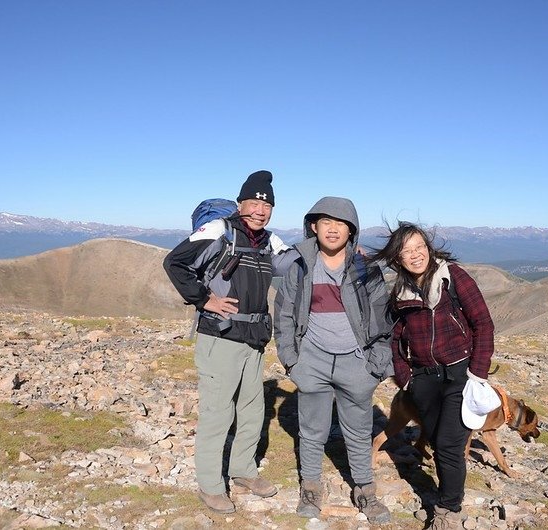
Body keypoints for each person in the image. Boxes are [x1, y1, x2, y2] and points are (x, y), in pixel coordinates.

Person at [163, 170, 294, 514]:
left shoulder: (267, 240)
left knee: (252, 408)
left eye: (267, 206)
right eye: (253, 203)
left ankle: (243, 470)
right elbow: (174, 262)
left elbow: (296, 262)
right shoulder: (220, 231)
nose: (260, 211)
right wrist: (204, 299)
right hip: (220, 337)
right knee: (217, 413)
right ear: (241, 204)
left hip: (253, 338)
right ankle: (210, 484)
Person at [273, 197, 393, 524]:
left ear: (351, 231)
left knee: (358, 430)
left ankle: (365, 490)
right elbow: (283, 314)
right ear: (314, 226)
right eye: (326, 222)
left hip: (357, 363)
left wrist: (376, 365)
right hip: (312, 360)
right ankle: (310, 488)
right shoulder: (300, 267)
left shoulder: (366, 268)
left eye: (341, 223)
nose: (333, 229)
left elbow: (383, 318)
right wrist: (292, 361)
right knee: (312, 431)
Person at [369, 221, 495, 529]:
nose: (415, 255)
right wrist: (405, 378)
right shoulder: (400, 292)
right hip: (423, 379)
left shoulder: (454, 278)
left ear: (429, 248)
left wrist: (477, 373)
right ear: (398, 258)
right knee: (439, 440)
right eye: (406, 251)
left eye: (419, 247)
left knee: (450, 444)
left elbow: (483, 324)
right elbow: (396, 338)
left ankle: (449, 511)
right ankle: (446, 496)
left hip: (460, 374)